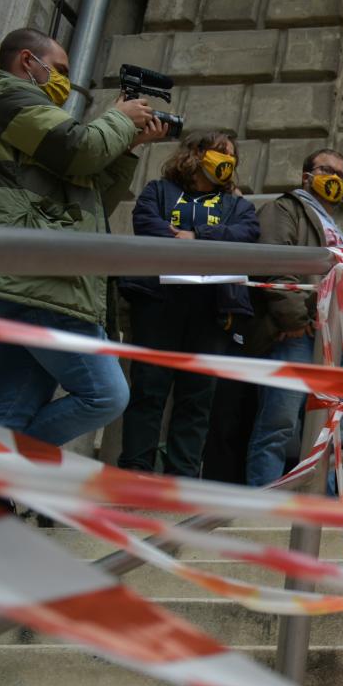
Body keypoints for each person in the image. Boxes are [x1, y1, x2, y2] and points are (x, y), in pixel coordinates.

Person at [0, 27, 166, 450]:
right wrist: (118, 118)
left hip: (34, 276)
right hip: (32, 274)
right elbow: (80, 148)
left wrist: (128, 144)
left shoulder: (29, 112)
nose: (63, 78)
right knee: (106, 395)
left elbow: (94, 195)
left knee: (14, 402)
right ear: (28, 61)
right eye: (58, 69)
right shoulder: (6, 95)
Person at [118, 130, 259, 478]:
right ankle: (136, 471)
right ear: (196, 153)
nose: (228, 161)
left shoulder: (237, 206)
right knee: (149, 389)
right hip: (157, 303)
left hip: (211, 309)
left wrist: (196, 238)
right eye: (220, 152)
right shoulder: (159, 191)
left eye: (232, 156)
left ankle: (181, 478)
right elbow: (146, 223)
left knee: (197, 398)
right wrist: (182, 241)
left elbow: (246, 233)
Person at [243, 147, 343, 486]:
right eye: (326, 170)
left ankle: (319, 511)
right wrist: (296, 321)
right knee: (278, 424)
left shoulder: (338, 225)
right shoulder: (285, 208)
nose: (334, 179)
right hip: (301, 336)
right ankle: (263, 506)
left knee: (329, 431)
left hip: (334, 344)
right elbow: (277, 265)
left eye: (340, 174)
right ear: (306, 176)